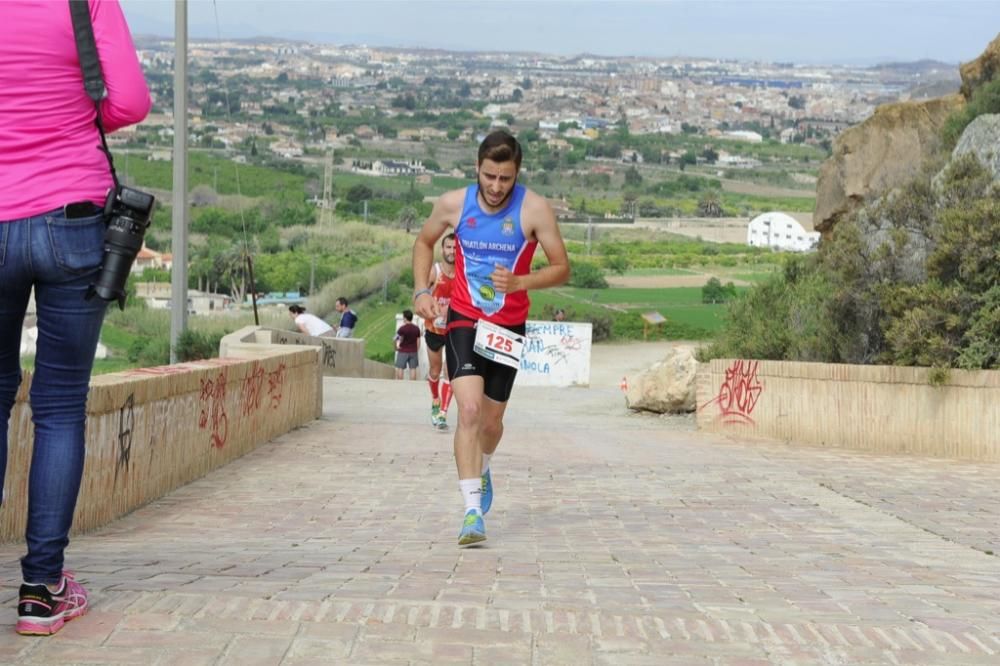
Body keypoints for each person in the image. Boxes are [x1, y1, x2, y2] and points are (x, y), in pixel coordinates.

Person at [0, 0, 151, 636]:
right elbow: (131, 102)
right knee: (59, 407)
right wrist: (68, 112)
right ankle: (41, 589)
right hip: (74, 218)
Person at [412, 130, 570, 546]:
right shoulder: (452, 205)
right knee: (467, 411)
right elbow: (424, 243)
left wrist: (521, 281)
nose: (497, 187)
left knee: (492, 422)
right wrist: (421, 291)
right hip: (464, 318)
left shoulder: (534, 209)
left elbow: (562, 268)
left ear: (517, 173)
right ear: (477, 169)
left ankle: (483, 469)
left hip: (507, 326)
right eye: (489, 177)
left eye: (505, 178)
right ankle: (470, 513)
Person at [423, 233, 457, 430]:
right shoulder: (434, 272)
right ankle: (435, 399)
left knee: (450, 371)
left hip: (455, 329)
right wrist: (432, 307)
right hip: (434, 328)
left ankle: (443, 413)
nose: (452, 251)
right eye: (449, 247)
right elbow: (420, 296)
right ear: (442, 249)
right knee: (435, 370)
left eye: (455, 248)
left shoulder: (463, 272)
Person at [394, 310, 421, 380]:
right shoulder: (416, 329)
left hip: (403, 350)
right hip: (413, 351)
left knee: (400, 368)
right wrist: (416, 349)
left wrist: (396, 347)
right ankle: (412, 385)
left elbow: (395, 339)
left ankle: (400, 383)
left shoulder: (402, 329)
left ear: (405, 318)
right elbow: (418, 341)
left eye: (403, 317)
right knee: (413, 368)